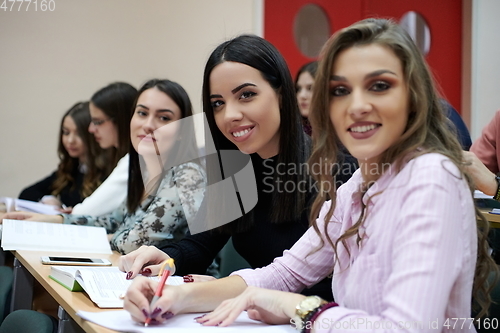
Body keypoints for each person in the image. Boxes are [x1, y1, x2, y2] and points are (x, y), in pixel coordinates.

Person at [123, 19, 496, 330]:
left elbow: (401, 327)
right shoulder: (360, 185)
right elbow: (282, 273)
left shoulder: (428, 178)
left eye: (379, 86)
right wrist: (175, 294)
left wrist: (297, 308)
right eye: (340, 91)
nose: (358, 105)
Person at [119, 34, 348, 300]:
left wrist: (227, 288)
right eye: (218, 103)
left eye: (247, 95)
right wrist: (167, 257)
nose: (230, 115)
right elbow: (200, 245)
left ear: (282, 95)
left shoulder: (334, 172)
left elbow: (329, 287)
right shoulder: (236, 170)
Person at [2, 79, 206, 255]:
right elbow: (111, 221)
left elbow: (134, 243)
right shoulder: (143, 169)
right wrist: (51, 221)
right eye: (142, 113)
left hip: (180, 288)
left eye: (164, 118)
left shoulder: (187, 175)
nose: (148, 125)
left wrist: (100, 236)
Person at [19, 102, 108, 208]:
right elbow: (26, 193)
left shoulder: (106, 172)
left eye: (79, 134)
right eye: (66, 132)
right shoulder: (71, 168)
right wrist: (47, 199)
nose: (70, 140)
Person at [70, 82, 137, 215]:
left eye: (98, 122)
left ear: (122, 120)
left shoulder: (134, 161)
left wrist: (72, 215)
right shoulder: (115, 156)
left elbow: (85, 213)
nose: (91, 129)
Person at [295, 61, 318, 136]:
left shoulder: (340, 132)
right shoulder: (292, 131)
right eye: (299, 89)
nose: (302, 95)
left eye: (310, 88)